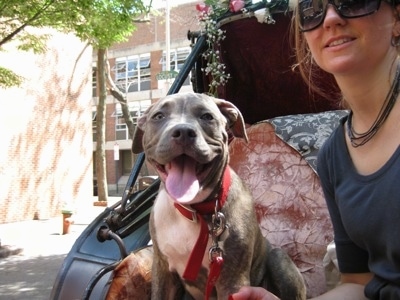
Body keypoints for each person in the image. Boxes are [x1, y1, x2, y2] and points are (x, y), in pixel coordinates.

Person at [231, 0, 400, 299]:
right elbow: (359, 284)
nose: (331, 19)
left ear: (396, 17)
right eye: (312, 10)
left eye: (352, 1)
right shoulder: (334, 155)